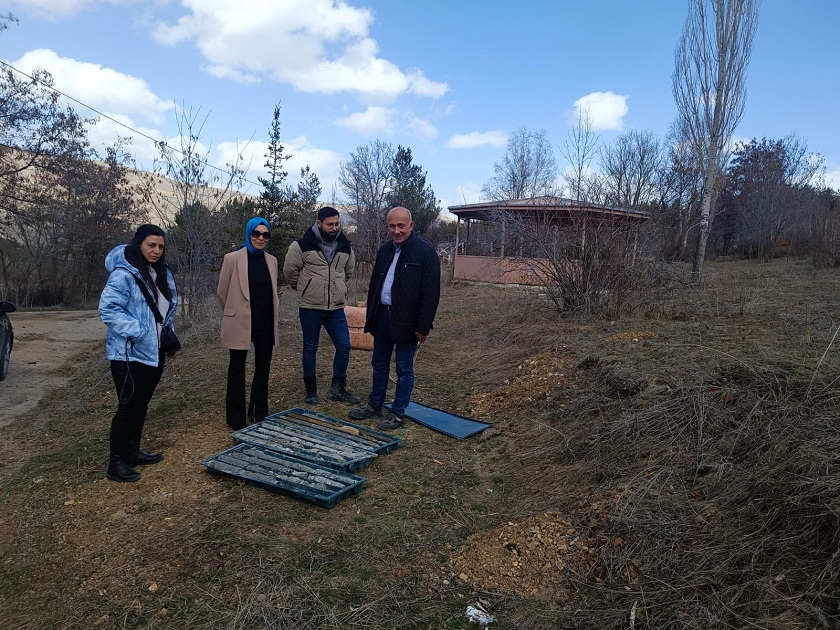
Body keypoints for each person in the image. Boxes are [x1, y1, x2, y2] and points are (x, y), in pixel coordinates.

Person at [349, 206, 441, 430]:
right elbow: (375, 286)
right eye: (392, 225)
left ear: (411, 226)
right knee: (379, 363)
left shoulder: (425, 253)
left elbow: (431, 294)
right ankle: (374, 404)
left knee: (403, 368)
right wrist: (371, 316)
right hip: (382, 316)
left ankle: (398, 412)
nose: (397, 230)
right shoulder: (384, 251)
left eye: (401, 225)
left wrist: (423, 326)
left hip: (408, 321)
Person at [99, 224, 178, 483]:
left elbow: (168, 308)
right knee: (127, 406)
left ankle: (132, 452)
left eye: (160, 246)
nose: (156, 251)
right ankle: (116, 463)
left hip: (154, 352)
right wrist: (141, 332)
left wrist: (167, 338)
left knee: (141, 404)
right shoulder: (123, 274)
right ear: (138, 244)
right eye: (151, 245)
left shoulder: (161, 272)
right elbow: (108, 310)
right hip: (128, 353)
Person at [283, 206, 359, 405]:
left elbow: (348, 272)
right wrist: (306, 288)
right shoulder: (301, 245)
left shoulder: (345, 246)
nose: (334, 228)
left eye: (337, 224)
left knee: (344, 345)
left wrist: (337, 288)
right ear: (319, 223)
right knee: (310, 347)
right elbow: (290, 272)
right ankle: (311, 391)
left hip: (335, 308)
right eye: (330, 224)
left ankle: (338, 389)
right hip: (310, 307)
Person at [216, 217, 280, 430]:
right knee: (237, 368)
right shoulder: (232, 259)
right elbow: (222, 292)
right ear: (249, 234)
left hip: (265, 323)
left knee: (263, 367)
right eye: (256, 234)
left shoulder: (271, 261)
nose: (260, 238)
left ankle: (258, 411)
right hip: (240, 322)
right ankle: (236, 418)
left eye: (265, 234)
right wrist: (233, 312)